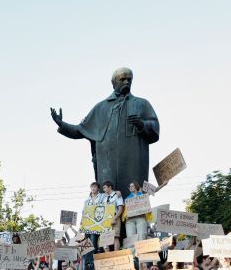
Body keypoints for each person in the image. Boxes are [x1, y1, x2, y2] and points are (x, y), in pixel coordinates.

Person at [51, 67, 160, 197]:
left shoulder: (142, 104)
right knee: (107, 198)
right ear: (113, 82)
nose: (126, 82)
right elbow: (80, 130)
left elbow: (155, 126)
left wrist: (142, 124)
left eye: (129, 79)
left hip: (133, 161)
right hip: (107, 163)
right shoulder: (101, 108)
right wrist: (61, 124)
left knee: (135, 196)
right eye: (122, 79)